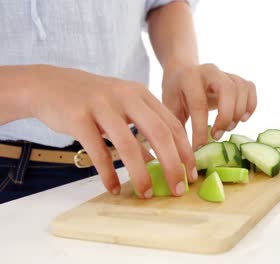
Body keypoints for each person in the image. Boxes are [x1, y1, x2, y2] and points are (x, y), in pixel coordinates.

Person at [0, 0, 256, 203]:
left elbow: (160, 2)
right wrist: (34, 87)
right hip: (10, 175)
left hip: (129, 157)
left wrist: (180, 63)